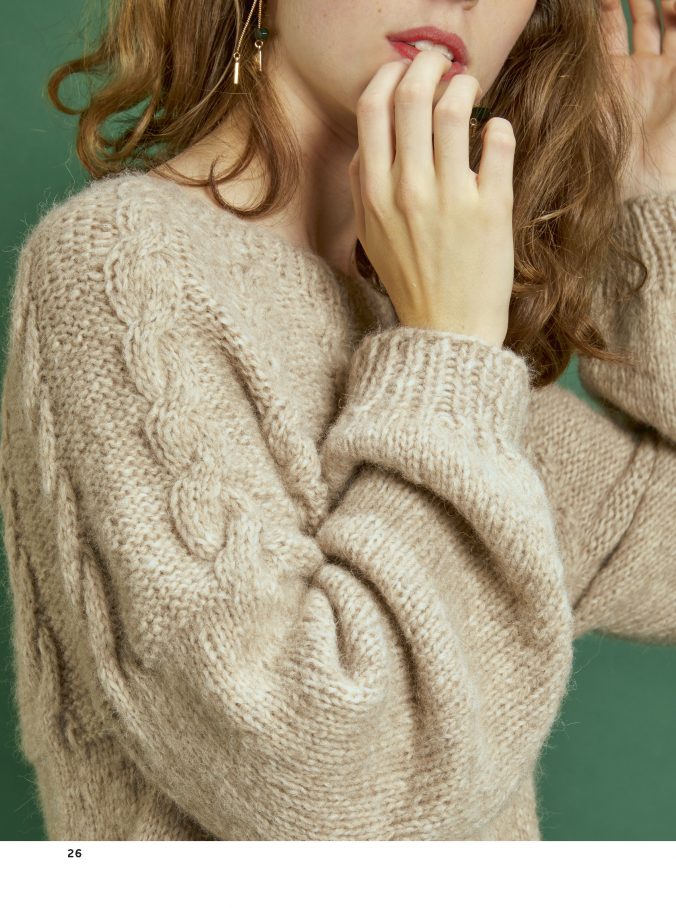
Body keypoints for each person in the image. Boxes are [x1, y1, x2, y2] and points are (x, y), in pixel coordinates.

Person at [0, 0, 674, 841]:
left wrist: (647, 194)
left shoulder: (430, 324)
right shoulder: (118, 268)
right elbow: (324, 782)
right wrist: (447, 352)